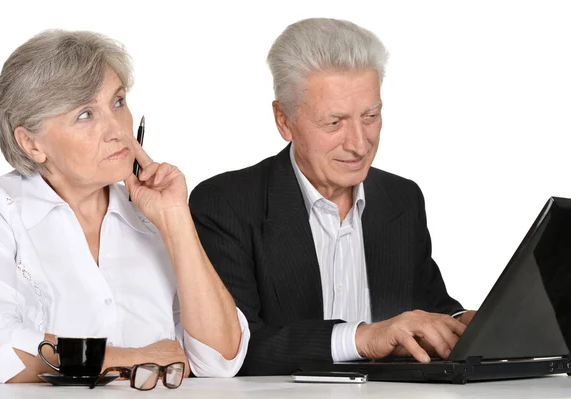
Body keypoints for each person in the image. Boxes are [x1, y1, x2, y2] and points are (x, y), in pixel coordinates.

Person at [189, 18, 475, 376]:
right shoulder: (224, 205)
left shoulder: (403, 199)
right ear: (283, 120)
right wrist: (363, 338)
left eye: (371, 116)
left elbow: (429, 309)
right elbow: (233, 350)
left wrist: (469, 323)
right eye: (334, 123)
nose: (359, 143)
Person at [0, 30, 249, 383]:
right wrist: (133, 359)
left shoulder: (150, 215)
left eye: (118, 102)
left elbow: (221, 359)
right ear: (31, 143)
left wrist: (176, 220)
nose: (118, 129)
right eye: (85, 115)